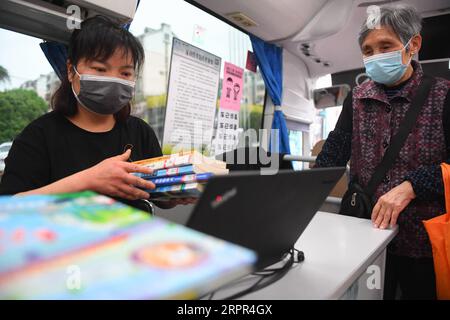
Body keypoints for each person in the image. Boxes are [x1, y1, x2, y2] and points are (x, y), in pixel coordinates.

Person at [315, 4, 450, 299]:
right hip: (366, 235)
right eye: (368, 50)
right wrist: (298, 196)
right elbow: (331, 158)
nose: (376, 56)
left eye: (385, 46)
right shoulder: (357, 99)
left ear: (412, 44)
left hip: (423, 240)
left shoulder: (443, 95)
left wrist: (413, 185)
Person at [0, 16, 193, 210]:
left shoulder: (140, 131)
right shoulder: (39, 135)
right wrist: (88, 180)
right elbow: (8, 207)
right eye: (100, 69)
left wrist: (175, 193)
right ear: (70, 70)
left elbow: (154, 193)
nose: (113, 80)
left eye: (125, 73)